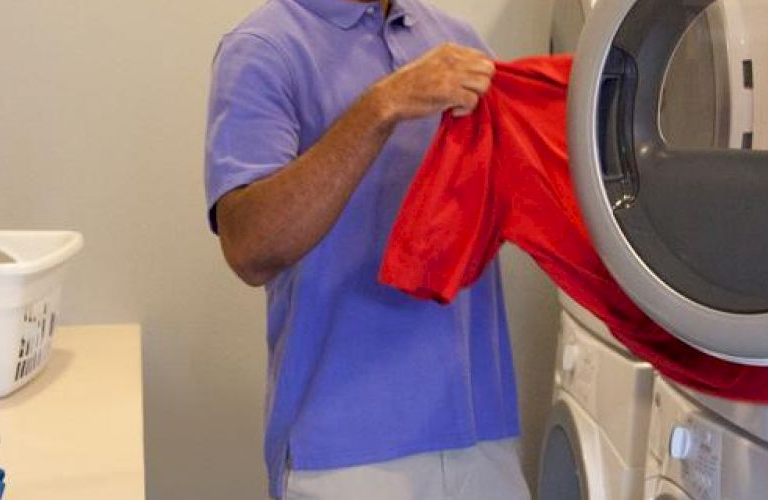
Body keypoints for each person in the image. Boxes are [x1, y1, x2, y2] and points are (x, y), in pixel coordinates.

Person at [202, 0, 529, 499]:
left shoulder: (455, 42)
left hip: (483, 436)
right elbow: (250, 248)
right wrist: (381, 107)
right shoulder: (263, 49)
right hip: (344, 456)